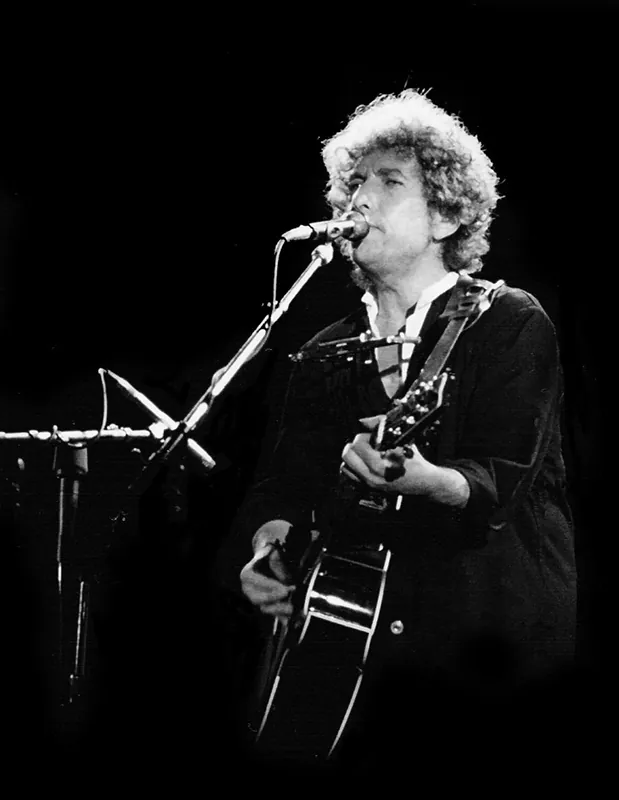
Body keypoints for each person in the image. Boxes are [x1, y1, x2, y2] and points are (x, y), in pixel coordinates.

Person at [235, 89, 577, 776]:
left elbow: (500, 481)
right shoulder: (325, 349)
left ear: (446, 214)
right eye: (354, 183)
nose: (359, 199)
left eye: (390, 182)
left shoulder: (508, 321)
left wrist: (426, 480)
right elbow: (283, 487)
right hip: (349, 664)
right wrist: (269, 548)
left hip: (482, 652)